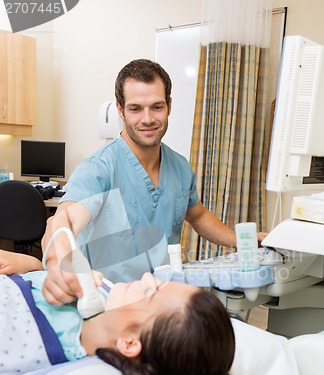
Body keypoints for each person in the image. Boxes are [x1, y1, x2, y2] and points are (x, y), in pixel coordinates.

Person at [42, 58, 266, 307]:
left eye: (156, 107)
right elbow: (63, 221)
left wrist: (245, 240)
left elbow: (199, 216)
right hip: (110, 302)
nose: (147, 119)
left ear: (169, 106)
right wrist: (56, 266)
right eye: (135, 109)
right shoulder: (100, 168)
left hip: (160, 298)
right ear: (120, 110)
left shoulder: (180, 167)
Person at [0, 249, 238, 375]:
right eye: (156, 282)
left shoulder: (35, 347)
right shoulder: (102, 290)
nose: (146, 276)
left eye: (150, 292)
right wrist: (30, 264)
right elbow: (57, 230)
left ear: (130, 343)